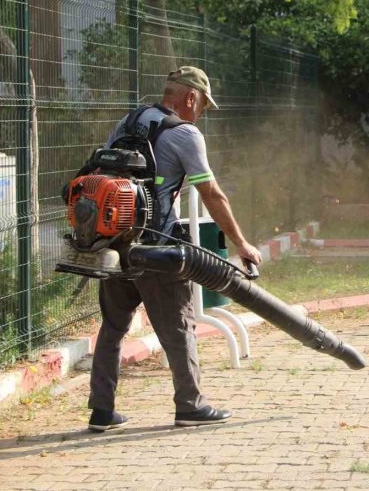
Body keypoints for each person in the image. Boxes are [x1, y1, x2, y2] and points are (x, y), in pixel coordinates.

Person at [87, 65, 263, 432]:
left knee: (113, 326)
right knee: (179, 326)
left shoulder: (128, 122)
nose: (201, 113)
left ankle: (101, 410)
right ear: (191, 98)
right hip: (158, 248)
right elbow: (211, 193)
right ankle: (190, 405)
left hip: (116, 242)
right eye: (203, 106)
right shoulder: (185, 133)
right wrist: (241, 243)